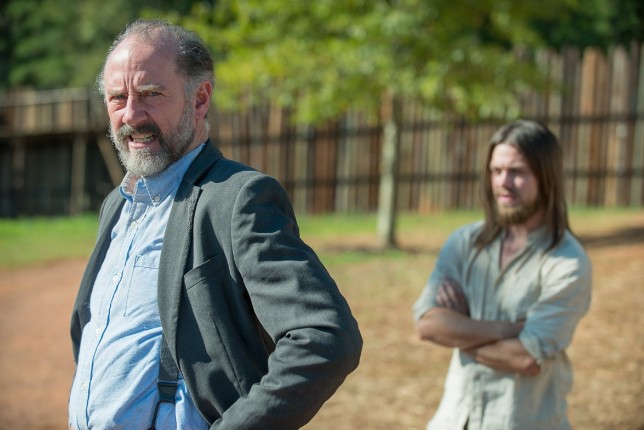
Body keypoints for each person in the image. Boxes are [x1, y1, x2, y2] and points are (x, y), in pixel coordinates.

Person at [69, 19, 362, 430]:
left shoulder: (238, 198)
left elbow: (326, 337)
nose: (131, 114)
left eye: (151, 94)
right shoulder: (117, 205)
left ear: (200, 99)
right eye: (118, 98)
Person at [413, 120, 592, 430]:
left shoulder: (567, 263)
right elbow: (427, 325)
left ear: (546, 176)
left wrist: (458, 332)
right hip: (455, 419)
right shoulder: (464, 243)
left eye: (517, 171)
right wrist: (509, 329)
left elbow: (524, 358)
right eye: (496, 171)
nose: (503, 182)